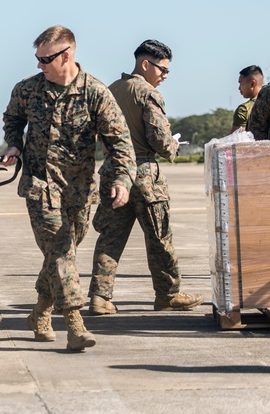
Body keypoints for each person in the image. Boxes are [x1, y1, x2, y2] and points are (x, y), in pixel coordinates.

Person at [1, 26, 135, 352]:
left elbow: (120, 142)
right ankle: (74, 324)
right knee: (61, 251)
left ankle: (40, 313)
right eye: (37, 59)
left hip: (79, 191)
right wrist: (14, 144)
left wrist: (121, 180)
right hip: (40, 185)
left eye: (46, 59)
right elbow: (13, 119)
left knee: (60, 254)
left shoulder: (96, 93)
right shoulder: (28, 90)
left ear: (67, 55)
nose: (39, 66)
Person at [87, 41, 203, 315]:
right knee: (160, 238)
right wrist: (173, 147)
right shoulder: (147, 93)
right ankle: (168, 294)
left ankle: (100, 298)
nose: (165, 75)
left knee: (110, 238)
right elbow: (160, 140)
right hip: (144, 176)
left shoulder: (110, 90)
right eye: (163, 69)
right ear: (145, 64)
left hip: (113, 172)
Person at [233, 65, 263, 133]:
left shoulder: (244, 109)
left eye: (241, 83)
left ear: (252, 84)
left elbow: (235, 141)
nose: (239, 88)